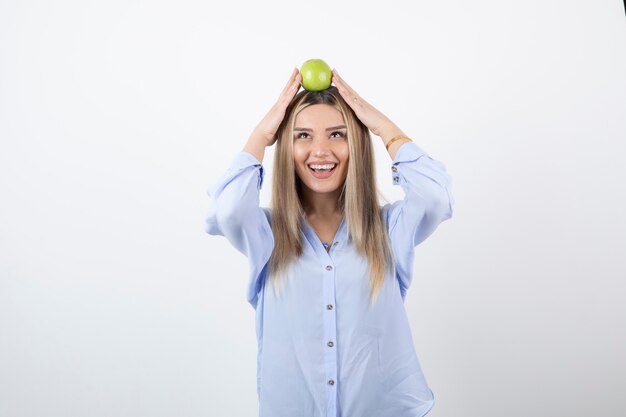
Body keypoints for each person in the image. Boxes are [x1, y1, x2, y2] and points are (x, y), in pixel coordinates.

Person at [204, 67, 455, 417]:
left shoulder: (387, 230)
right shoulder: (266, 234)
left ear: (355, 143)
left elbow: (435, 199)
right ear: (286, 146)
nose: (320, 151)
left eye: (337, 134)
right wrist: (262, 133)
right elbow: (227, 208)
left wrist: (380, 126)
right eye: (302, 136)